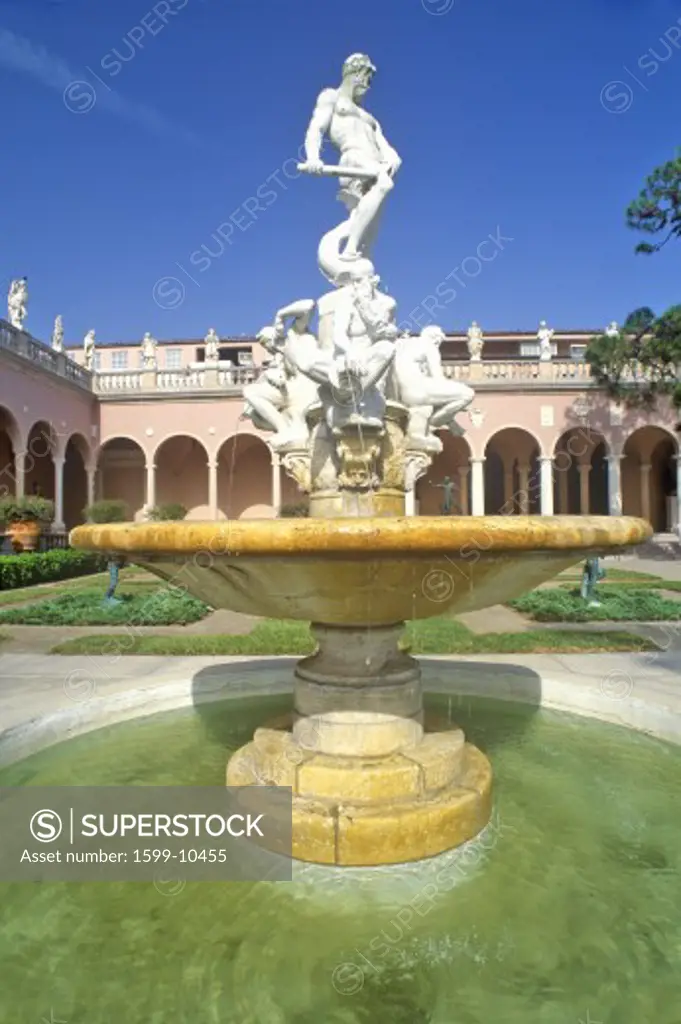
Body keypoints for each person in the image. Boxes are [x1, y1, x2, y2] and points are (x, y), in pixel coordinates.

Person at [300, 53, 401, 261]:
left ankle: (360, 258)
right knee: (384, 185)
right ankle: (350, 248)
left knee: (369, 218)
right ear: (355, 73)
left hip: (375, 165)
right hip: (353, 158)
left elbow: (385, 146)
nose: (368, 86)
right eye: (367, 79)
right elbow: (316, 129)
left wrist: (393, 157)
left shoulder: (370, 118)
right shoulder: (331, 97)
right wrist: (313, 157)